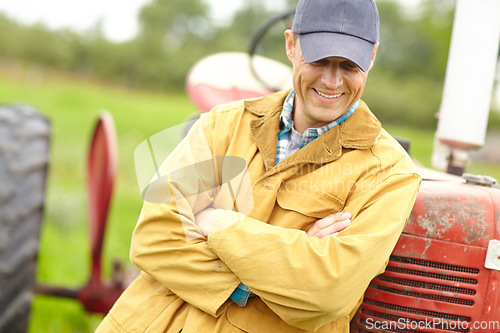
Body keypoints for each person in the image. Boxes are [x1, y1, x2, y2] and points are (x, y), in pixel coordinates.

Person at [96, 0, 421, 331]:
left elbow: (326, 292)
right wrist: (273, 274)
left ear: (372, 57)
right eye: (320, 60)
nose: (332, 81)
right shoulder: (224, 123)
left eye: (349, 67)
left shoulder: (389, 173)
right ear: (291, 45)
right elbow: (154, 237)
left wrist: (217, 223)